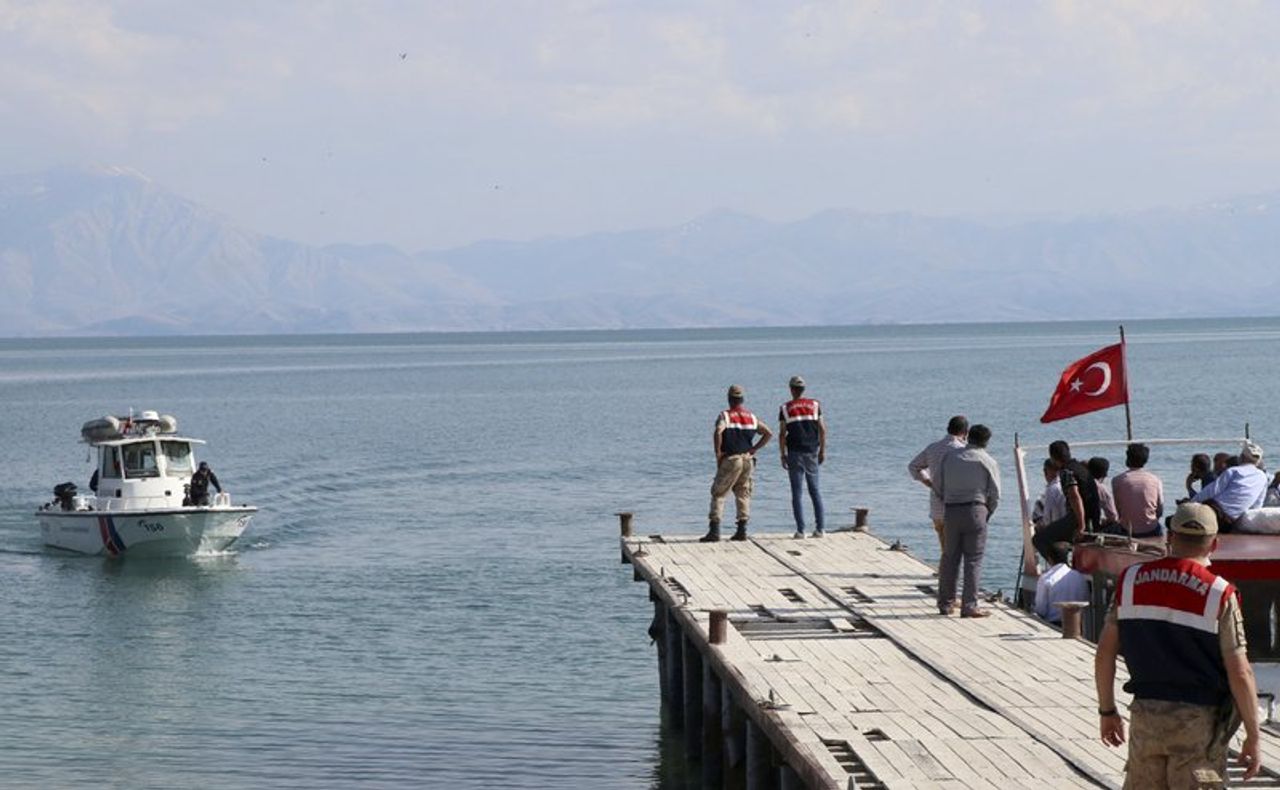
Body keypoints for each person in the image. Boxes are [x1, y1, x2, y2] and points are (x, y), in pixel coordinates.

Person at [1094, 502, 1262, 786]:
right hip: (1198, 724)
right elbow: (1240, 672)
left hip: (1146, 717)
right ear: (1214, 544)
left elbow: (1104, 654)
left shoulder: (1130, 581)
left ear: (1169, 538)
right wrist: (1253, 736)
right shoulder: (1220, 593)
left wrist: (1107, 711)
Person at [936, 424, 1000, 618]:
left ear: (968, 437)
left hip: (951, 510)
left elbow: (938, 485)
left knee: (949, 558)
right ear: (986, 442)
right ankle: (969, 606)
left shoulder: (950, 457)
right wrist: (987, 512)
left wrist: (947, 498)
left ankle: (946, 604)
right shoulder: (987, 461)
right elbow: (995, 494)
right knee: (973, 560)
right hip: (976, 509)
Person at [700, 385, 772, 543]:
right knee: (743, 493)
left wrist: (718, 454)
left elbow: (718, 432)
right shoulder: (751, 417)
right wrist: (754, 448)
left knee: (719, 493)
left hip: (732, 459)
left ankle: (714, 530)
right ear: (742, 399)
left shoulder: (725, 416)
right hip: (747, 460)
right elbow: (768, 433)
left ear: (729, 399)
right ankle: (742, 530)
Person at [1031, 440, 1102, 564]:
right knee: (1057, 540)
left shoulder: (1066, 472)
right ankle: (1063, 563)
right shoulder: (1081, 468)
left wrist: (1081, 525)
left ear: (1053, 458)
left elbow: (1075, 497)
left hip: (1080, 518)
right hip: (1094, 517)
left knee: (1039, 539)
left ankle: (1061, 568)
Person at [907, 415, 968, 552]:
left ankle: (945, 565)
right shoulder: (964, 450)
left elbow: (913, 466)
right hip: (957, 505)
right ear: (965, 432)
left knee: (944, 545)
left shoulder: (933, 448)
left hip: (937, 506)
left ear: (948, 429)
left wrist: (930, 483)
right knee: (958, 546)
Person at [778, 375, 826, 538]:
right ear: (803, 389)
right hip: (812, 451)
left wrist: (782, 454)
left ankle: (801, 530)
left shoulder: (785, 408)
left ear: (791, 390)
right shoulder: (815, 405)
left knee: (797, 493)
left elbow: (782, 434)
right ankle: (820, 528)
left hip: (794, 452)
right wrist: (822, 450)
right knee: (815, 490)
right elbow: (822, 429)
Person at [1193, 441, 1267, 532]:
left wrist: (1192, 502)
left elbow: (1212, 490)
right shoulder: (1263, 477)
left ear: (1242, 457)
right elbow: (1258, 504)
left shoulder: (1234, 471)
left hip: (1213, 511)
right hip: (1229, 522)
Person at [1112, 443, 1165, 538]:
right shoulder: (1155, 480)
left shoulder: (1117, 480)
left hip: (1127, 529)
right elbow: (1160, 510)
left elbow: (1118, 509)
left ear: (1128, 458)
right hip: (1151, 529)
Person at [1034, 541, 1090, 624]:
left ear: (1049, 559)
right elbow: (1086, 600)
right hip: (1078, 624)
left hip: (1052, 624)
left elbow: (1041, 610)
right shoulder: (1080, 577)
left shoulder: (1046, 579)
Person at [1032, 459, 1066, 529]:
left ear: (1045, 472)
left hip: (1056, 529)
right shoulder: (1066, 485)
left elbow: (1047, 519)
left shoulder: (1051, 489)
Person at [1088, 456, 1120, 528]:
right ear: (1105, 474)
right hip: (1092, 526)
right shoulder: (1102, 489)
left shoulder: (1079, 484)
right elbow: (1113, 516)